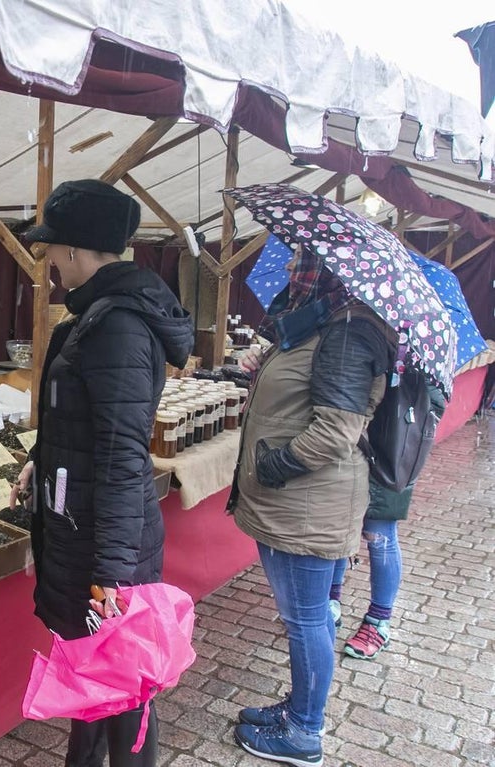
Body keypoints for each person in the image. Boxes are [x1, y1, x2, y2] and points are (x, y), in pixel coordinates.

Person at [9, 179, 194, 767]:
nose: (50, 262)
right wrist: (42, 459)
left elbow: (119, 455)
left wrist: (113, 578)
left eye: (52, 249)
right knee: (94, 681)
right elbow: (84, 425)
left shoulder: (116, 327)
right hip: (82, 528)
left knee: (125, 691)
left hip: (104, 545)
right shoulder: (92, 319)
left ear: (72, 249)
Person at [228, 251, 394, 767]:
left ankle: (303, 731)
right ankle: (299, 708)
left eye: (307, 264)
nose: (296, 273)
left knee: (306, 619)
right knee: (307, 616)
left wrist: (272, 467)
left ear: (330, 272)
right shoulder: (329, 322)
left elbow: (335, 432)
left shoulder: (347, 334)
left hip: (306, 505)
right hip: (300, 503)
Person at [329, 383, 446, 660]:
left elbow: (434, 401)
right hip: (350, 438)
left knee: (378, 533)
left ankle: (379, 621)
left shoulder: (416, 355)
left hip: (394, 441)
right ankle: (331, 600)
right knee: (336, 523)